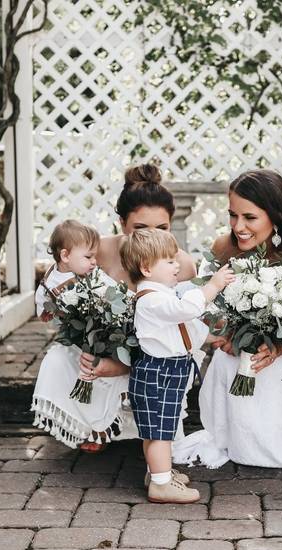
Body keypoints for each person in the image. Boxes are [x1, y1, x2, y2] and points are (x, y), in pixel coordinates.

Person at [173, 169, 282, 469]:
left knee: (263, 369)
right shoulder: (223, 248)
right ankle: (237, 440)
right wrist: (227, 334)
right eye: (233, 215)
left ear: (276, 214)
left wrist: (278, 348)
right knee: (229, 361)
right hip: (240, 346)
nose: (238, 226)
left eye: (249, 217)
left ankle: (281, 443)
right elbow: (208, 308)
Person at [75, 164, 198, 452]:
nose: (151, 239)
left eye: (163, 228)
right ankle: (97, 421)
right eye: (140, 229)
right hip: (109, 340)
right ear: (122, 223)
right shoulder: (101, 250)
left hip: (157, 352)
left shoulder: (183, 264)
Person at [121, 228, 235, 503]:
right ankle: (160, 486)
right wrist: (213, 286)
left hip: (166, 370)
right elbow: (186, 311)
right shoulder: (151, 299)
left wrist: (210, 338)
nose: (177, 265)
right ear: (147, 268)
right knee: (160, 432)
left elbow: (182, 329)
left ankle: (158, 473)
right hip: (159, 371)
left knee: (159, 430)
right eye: (169, 260)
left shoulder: (162, 296)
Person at [31, 220, 124, 448]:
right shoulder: (51, 283)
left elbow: (117, 296)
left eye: (95, 257)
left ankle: (104, 424)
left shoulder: (92, 276)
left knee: (101, 372)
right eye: (88, 257)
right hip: (77, 341)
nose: (94, 262)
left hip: (104, 338)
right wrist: (55, 314)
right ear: (65, 256)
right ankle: (85, 426)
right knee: (72, 369)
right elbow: (43, 310)